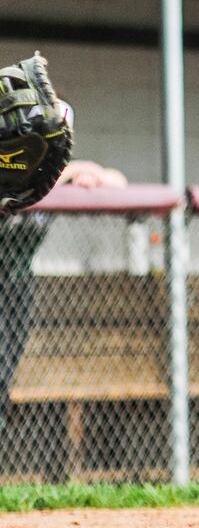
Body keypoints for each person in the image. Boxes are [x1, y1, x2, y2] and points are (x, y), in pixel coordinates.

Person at [1, 159, 127, 431]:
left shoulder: (51, 173)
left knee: (6, 370)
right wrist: (68, 173)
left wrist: (89, 172)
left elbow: (119, 182)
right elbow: (25, 188)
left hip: (20, 284)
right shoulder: (17, 172)